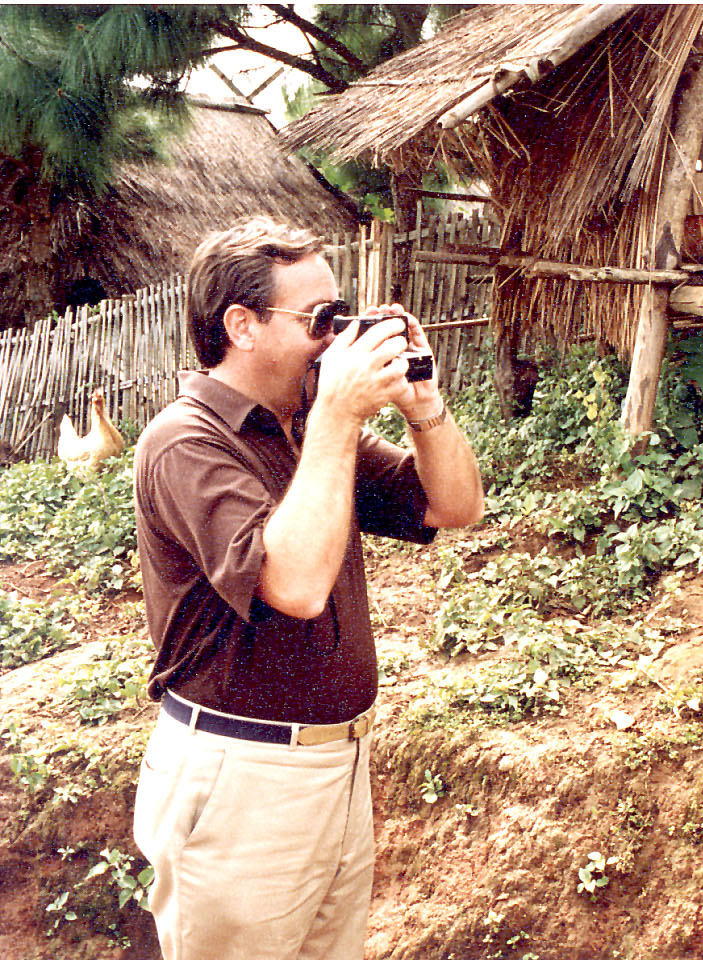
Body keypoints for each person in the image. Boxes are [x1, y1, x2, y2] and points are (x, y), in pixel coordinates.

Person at [131, 216, 485, 959]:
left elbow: (455, 505)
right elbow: (294, 585)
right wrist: (337, 415)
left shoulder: (307, 433)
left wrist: (422, 404)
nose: (339, 336)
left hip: (335, 766)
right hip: (240, 782)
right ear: (243, 326)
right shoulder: (186, 441)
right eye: (321, 319)